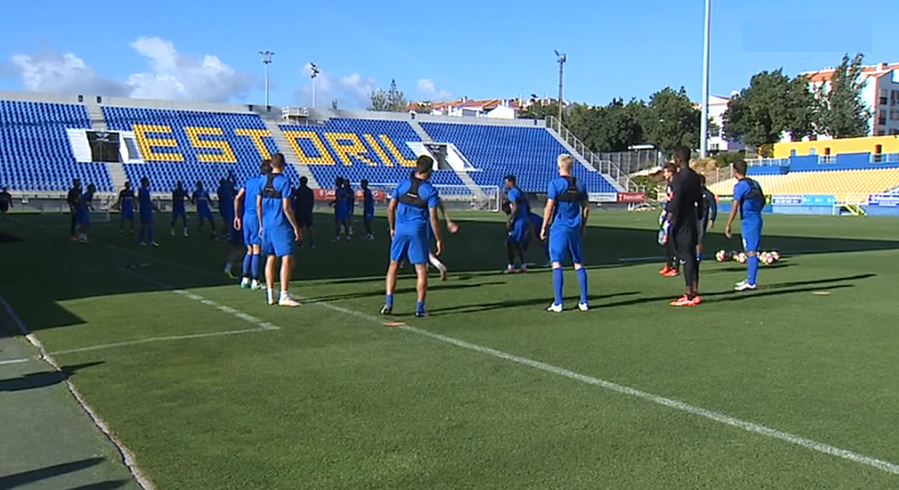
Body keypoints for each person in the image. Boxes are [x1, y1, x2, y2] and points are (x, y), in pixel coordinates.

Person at [381, 155, 442, 317]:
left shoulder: (403, 184)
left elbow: (390, 208)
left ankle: (388, 301)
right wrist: (439, 239)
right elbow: (433, 217)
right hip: (417, 230)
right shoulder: (429, 190)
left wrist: (392, 227)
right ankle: (419, 308)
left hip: (400, 229)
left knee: (393, 265)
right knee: (421, 269)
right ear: (429, 171)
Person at [541, 154, 590, 312]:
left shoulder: (555, 184)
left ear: (559, 167)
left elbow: (549, 207)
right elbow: (586, 208)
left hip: (559, 227)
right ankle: (583, 301)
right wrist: (583, 226)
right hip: (575, 227)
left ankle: (558, 302)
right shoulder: (580, 184)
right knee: (578, 263)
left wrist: (543, 227)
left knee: (557, 263)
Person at [257, 153, 301, 306]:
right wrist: (296, 226)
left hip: (267, 224)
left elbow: (258, 204)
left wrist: (261, 224)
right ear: (283, 165)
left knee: (270, 257)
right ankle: (284, 294)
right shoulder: (284, 181)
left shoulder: (262, 181)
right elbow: (286, 207)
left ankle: (270, 294)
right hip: (280, 224)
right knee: (286, 258)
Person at [667, 146, 704, 306]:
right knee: (692, 256)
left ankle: (688, 294)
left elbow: (676, 199)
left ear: (678, 159)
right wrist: (700, 215)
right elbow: (700, 199)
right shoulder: (695, 177)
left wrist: (670, 216)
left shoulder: (678, 178)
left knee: (686, 256)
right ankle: (694, 291)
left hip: (681, 219)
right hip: (692, 218)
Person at [725, 160, 765, 291]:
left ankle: (752, 282)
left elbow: (735, 206)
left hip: (749, 221)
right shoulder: (754, 183)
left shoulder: (740, 186)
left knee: (751, 251)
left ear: (735, 171)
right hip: (756, 218)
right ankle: (749, 279)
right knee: (749, 250)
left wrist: (728, 224)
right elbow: (763, 200)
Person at [233, 160, 271, 288]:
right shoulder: (266, 183)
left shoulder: (250, 181)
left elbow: (238, 198)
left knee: (249, 249)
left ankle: (245, 279)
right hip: (256, 217)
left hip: (246, 217)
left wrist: (237, 216)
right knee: (257, 249)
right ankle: (255, 280)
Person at [503, 174, 531, 273]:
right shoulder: (521, 192)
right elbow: (527, 207)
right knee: (517, 243)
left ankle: (511, 266)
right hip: (524, 219)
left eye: (506, 182)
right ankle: (523, 266)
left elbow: (515, 207)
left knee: (509, 242)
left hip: (518, 221)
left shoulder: (512, 192)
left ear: (511, 182)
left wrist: (510, 219)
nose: (505, 184)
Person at [659, 163, 679, 277]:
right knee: (664, 241)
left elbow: (675, 201)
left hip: (674, 215)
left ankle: (675, 267)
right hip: (668, 213)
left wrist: (670, 216)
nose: (664, 174)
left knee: (674, 241)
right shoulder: (670, 184)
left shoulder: (676, 184)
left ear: (671, 172)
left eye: (666, 172)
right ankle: (669, 264)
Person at [698, 174, 718, 262]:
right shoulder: (693, 193)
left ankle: (698, 255)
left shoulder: (708, 194)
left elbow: (714, 207)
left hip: (702, 219)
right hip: (691, 218)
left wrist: (712, 219)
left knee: (698, 238)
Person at [292, 176, 316, 248]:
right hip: (308, 210)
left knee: (300, 227)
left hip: (300, 211)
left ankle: (301, 242)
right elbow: (312, 201)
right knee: (310, 226)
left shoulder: (299, 191)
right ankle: (312, 242)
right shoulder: (309, 191)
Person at [138, 177, 159, 247]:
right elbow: (148, 201)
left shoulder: (141, 190)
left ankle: (142, 240)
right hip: (146, 210)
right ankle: (150, 240)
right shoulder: (144, 191)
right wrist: (155, 207)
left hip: (144, 209)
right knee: (150, 224)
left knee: (144, 225)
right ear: (145, 182)